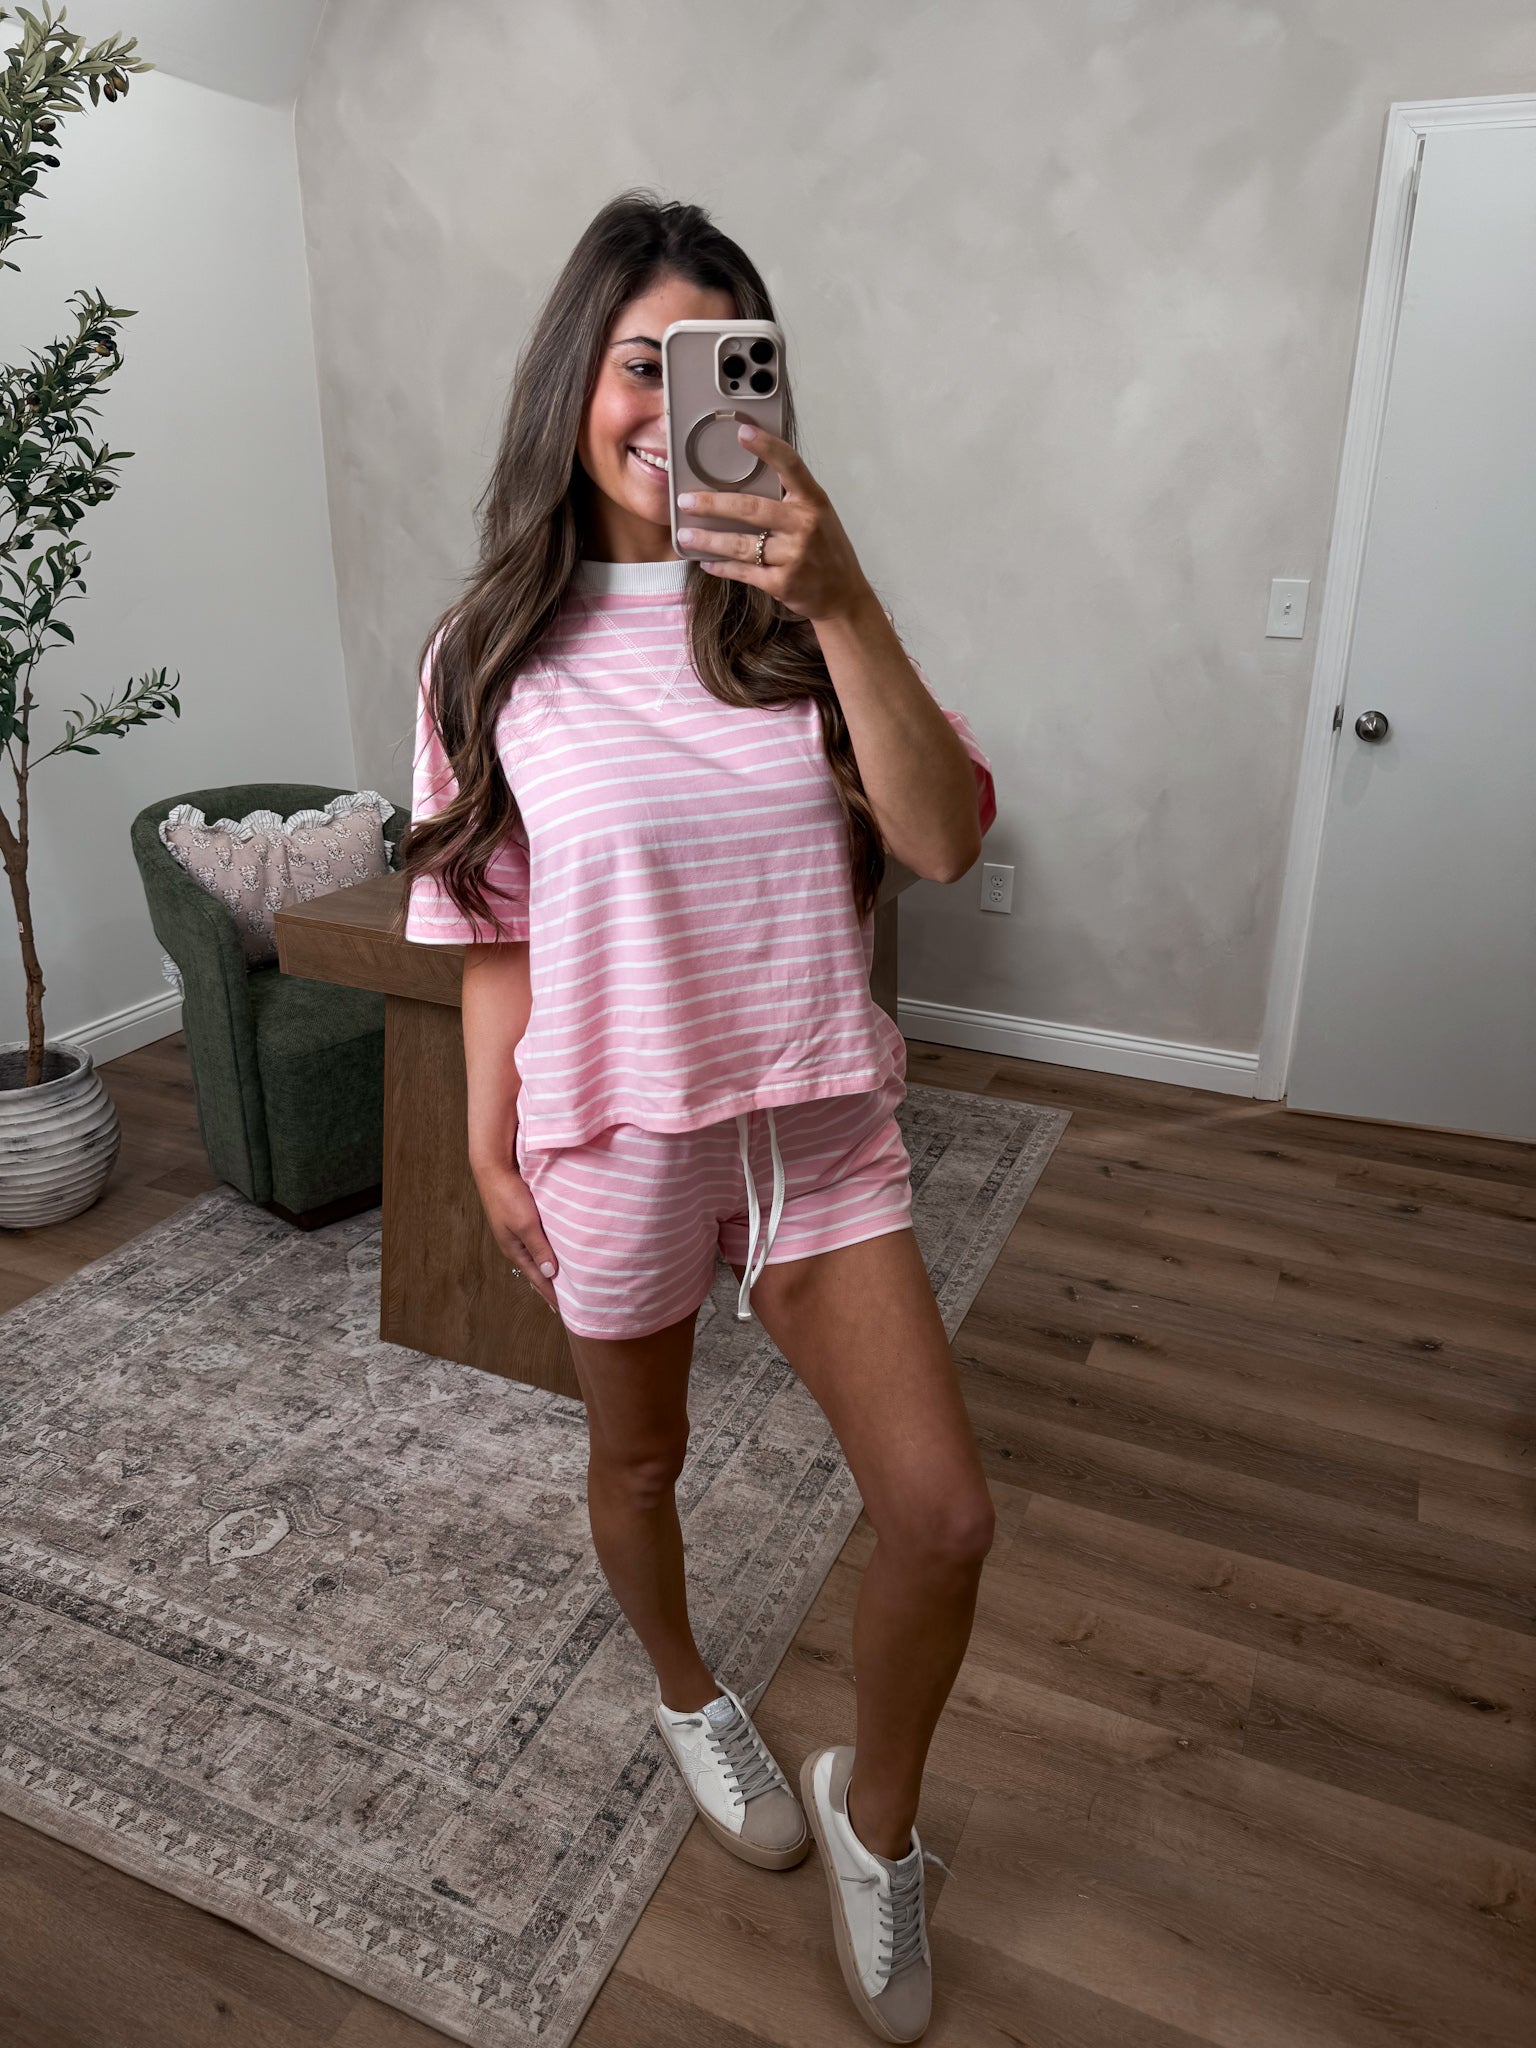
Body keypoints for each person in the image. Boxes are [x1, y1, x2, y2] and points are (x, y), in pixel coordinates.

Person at [397, 189, 998, 2045]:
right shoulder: (485, 654)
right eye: (637, 360)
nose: (670, 402)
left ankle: (870, 1818)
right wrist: (494, 1143)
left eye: (713, 366)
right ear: (574, 376)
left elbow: (945, 840)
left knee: (944, 1519)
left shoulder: (798, 622)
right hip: (619, 1133)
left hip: (814, 1127)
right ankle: (686, 1693)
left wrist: (841, 594)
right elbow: (490, 924)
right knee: (637, 1464)